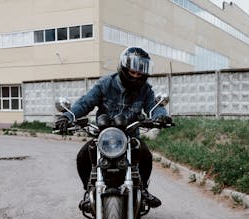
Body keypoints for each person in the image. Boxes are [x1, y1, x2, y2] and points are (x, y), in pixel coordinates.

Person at [55, 47, 172, 209]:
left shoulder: (145, 90)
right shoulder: (105, 84)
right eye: (133, 72)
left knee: (145, 155)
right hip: (104, 136)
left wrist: (160, 116)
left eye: (140, 74)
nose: (137, 77)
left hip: (130, 135)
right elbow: (84, 103)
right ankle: (89, 192)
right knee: (83, 155)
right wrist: (67, 117)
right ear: (124, 69)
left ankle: (143, 189)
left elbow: (153, 108)